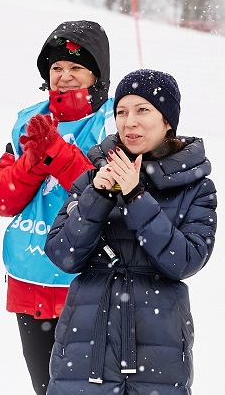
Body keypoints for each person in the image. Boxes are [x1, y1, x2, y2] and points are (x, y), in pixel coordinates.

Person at [44, 69, 216, 394]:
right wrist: (98, 196)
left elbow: (185, 260)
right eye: (121, 112)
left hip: (159, 349)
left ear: (167, 120)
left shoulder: (196, 186)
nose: (129, 122)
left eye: (142, 110)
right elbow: (63, 255)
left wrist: (136, 197)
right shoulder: (93, 177)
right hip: (85, 347)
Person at [0, 20, 115, 395]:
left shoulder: (114, 121)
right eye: (56, 67)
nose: (64, 76)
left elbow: (107, 194)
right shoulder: (28, 120)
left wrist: (56, 153)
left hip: (89, 284)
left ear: (97, 74)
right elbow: (1, 198)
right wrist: (33, 160)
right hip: (31, 278)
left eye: (76, 67)